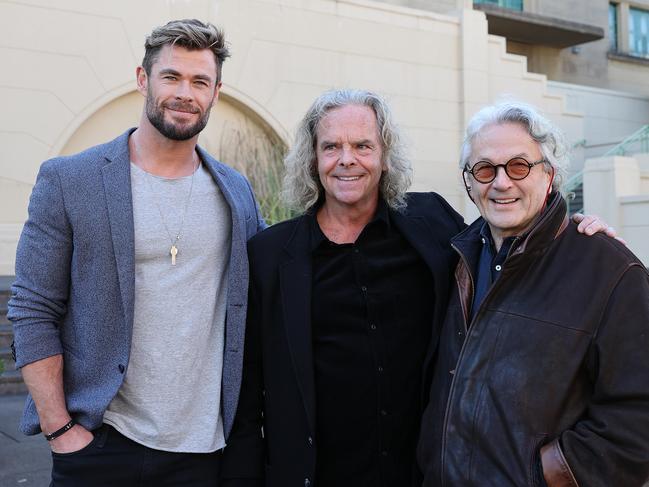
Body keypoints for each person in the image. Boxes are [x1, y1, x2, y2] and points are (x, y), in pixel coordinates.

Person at [222, 89, 612, 487]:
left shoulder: (432, 223)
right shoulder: (270, 256)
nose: (346, 159)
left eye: (362, 145)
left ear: (385, 156)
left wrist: (570, 233)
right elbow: (247, 394)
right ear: (313, 159)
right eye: (331, 147)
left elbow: (508, 248)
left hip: (422, 477)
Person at [8, 19, 265, 487]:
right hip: (101, 442)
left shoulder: (237, 191)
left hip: (205, 450)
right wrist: (59, 429)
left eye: (199, 81)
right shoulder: (71, 180)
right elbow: (33, 308)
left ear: (216, 92)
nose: (185, 93)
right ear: (143, 79)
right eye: (171, 77)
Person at [417, 101, 649, 486]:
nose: (502, 182)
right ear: (469, 182)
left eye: (519, 166)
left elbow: (638, 418)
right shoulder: (455, 259)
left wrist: (548, 474)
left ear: (550, 175)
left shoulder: (609, 270)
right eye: (485, 169)